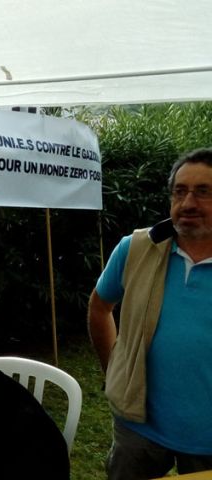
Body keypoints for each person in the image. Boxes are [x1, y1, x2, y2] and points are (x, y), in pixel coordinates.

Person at [88, 148, 212, 480]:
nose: (188, 203)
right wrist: (115, 367)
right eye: (180, 191)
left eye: (203, 192)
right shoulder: (137, 248)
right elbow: (100, 307)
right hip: (137, 428)